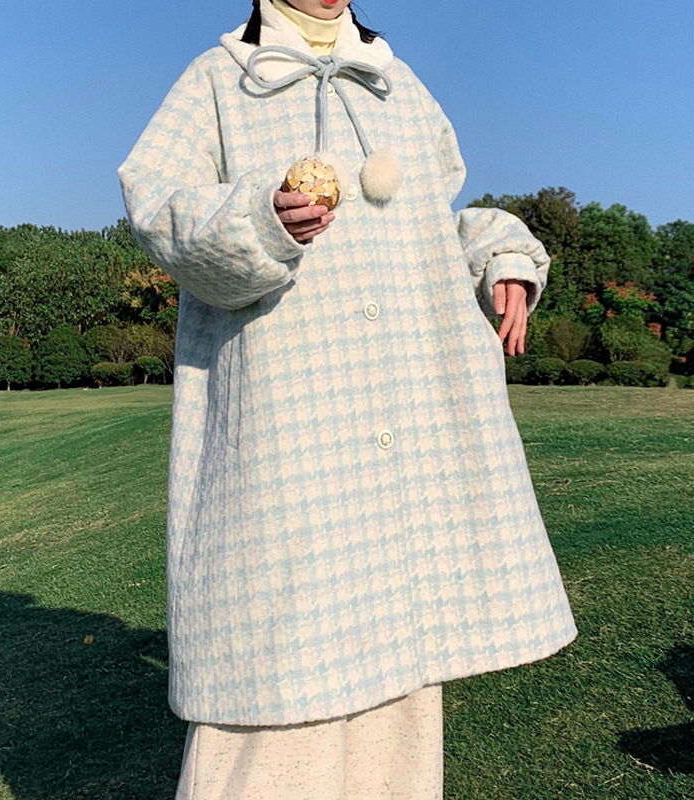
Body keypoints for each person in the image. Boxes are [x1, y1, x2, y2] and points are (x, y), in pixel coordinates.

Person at [118, 0, 579, 797]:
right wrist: (261, 218)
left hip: (399, 418)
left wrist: (500, 255)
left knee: (400, 663)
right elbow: (160, 208)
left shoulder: (398, 87)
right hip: (285, 427)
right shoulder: (221, 81)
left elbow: (428, 226)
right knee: (270, 671)